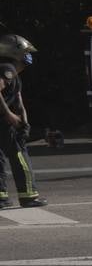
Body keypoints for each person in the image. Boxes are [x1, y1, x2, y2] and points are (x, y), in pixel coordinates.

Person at [0, 34, 47, 208]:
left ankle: (1, 198)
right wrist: (9, 116)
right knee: (20, 157)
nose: (29, 56)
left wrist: (24, 120)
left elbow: (19, 101)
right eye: (26, 52)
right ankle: (29, 196)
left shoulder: (13, 74)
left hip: (7, 125)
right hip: (4, 124)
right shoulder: (7, 69)